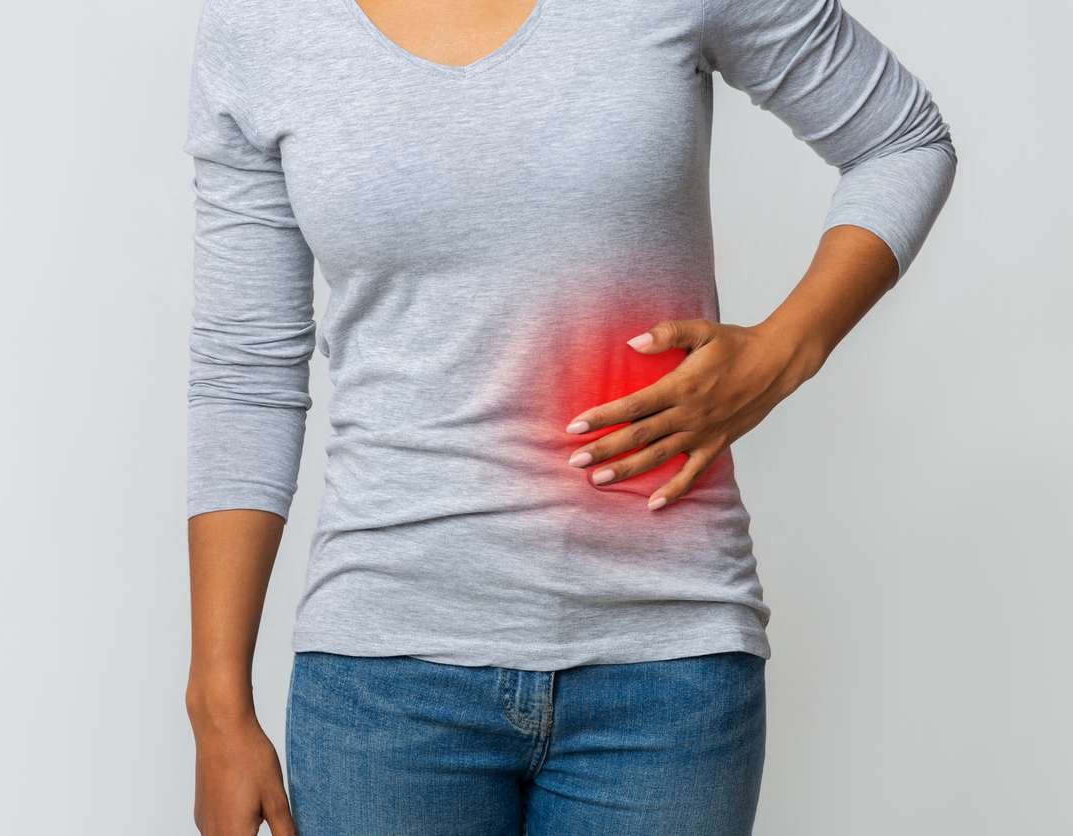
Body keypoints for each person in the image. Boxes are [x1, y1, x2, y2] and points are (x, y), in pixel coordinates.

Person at [182, 0, 956, 833]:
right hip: (384, 677)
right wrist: (216, 707)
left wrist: (783, 352)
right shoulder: (262, 24)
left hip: (666, 664)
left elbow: (902, 139)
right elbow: (244, 368)